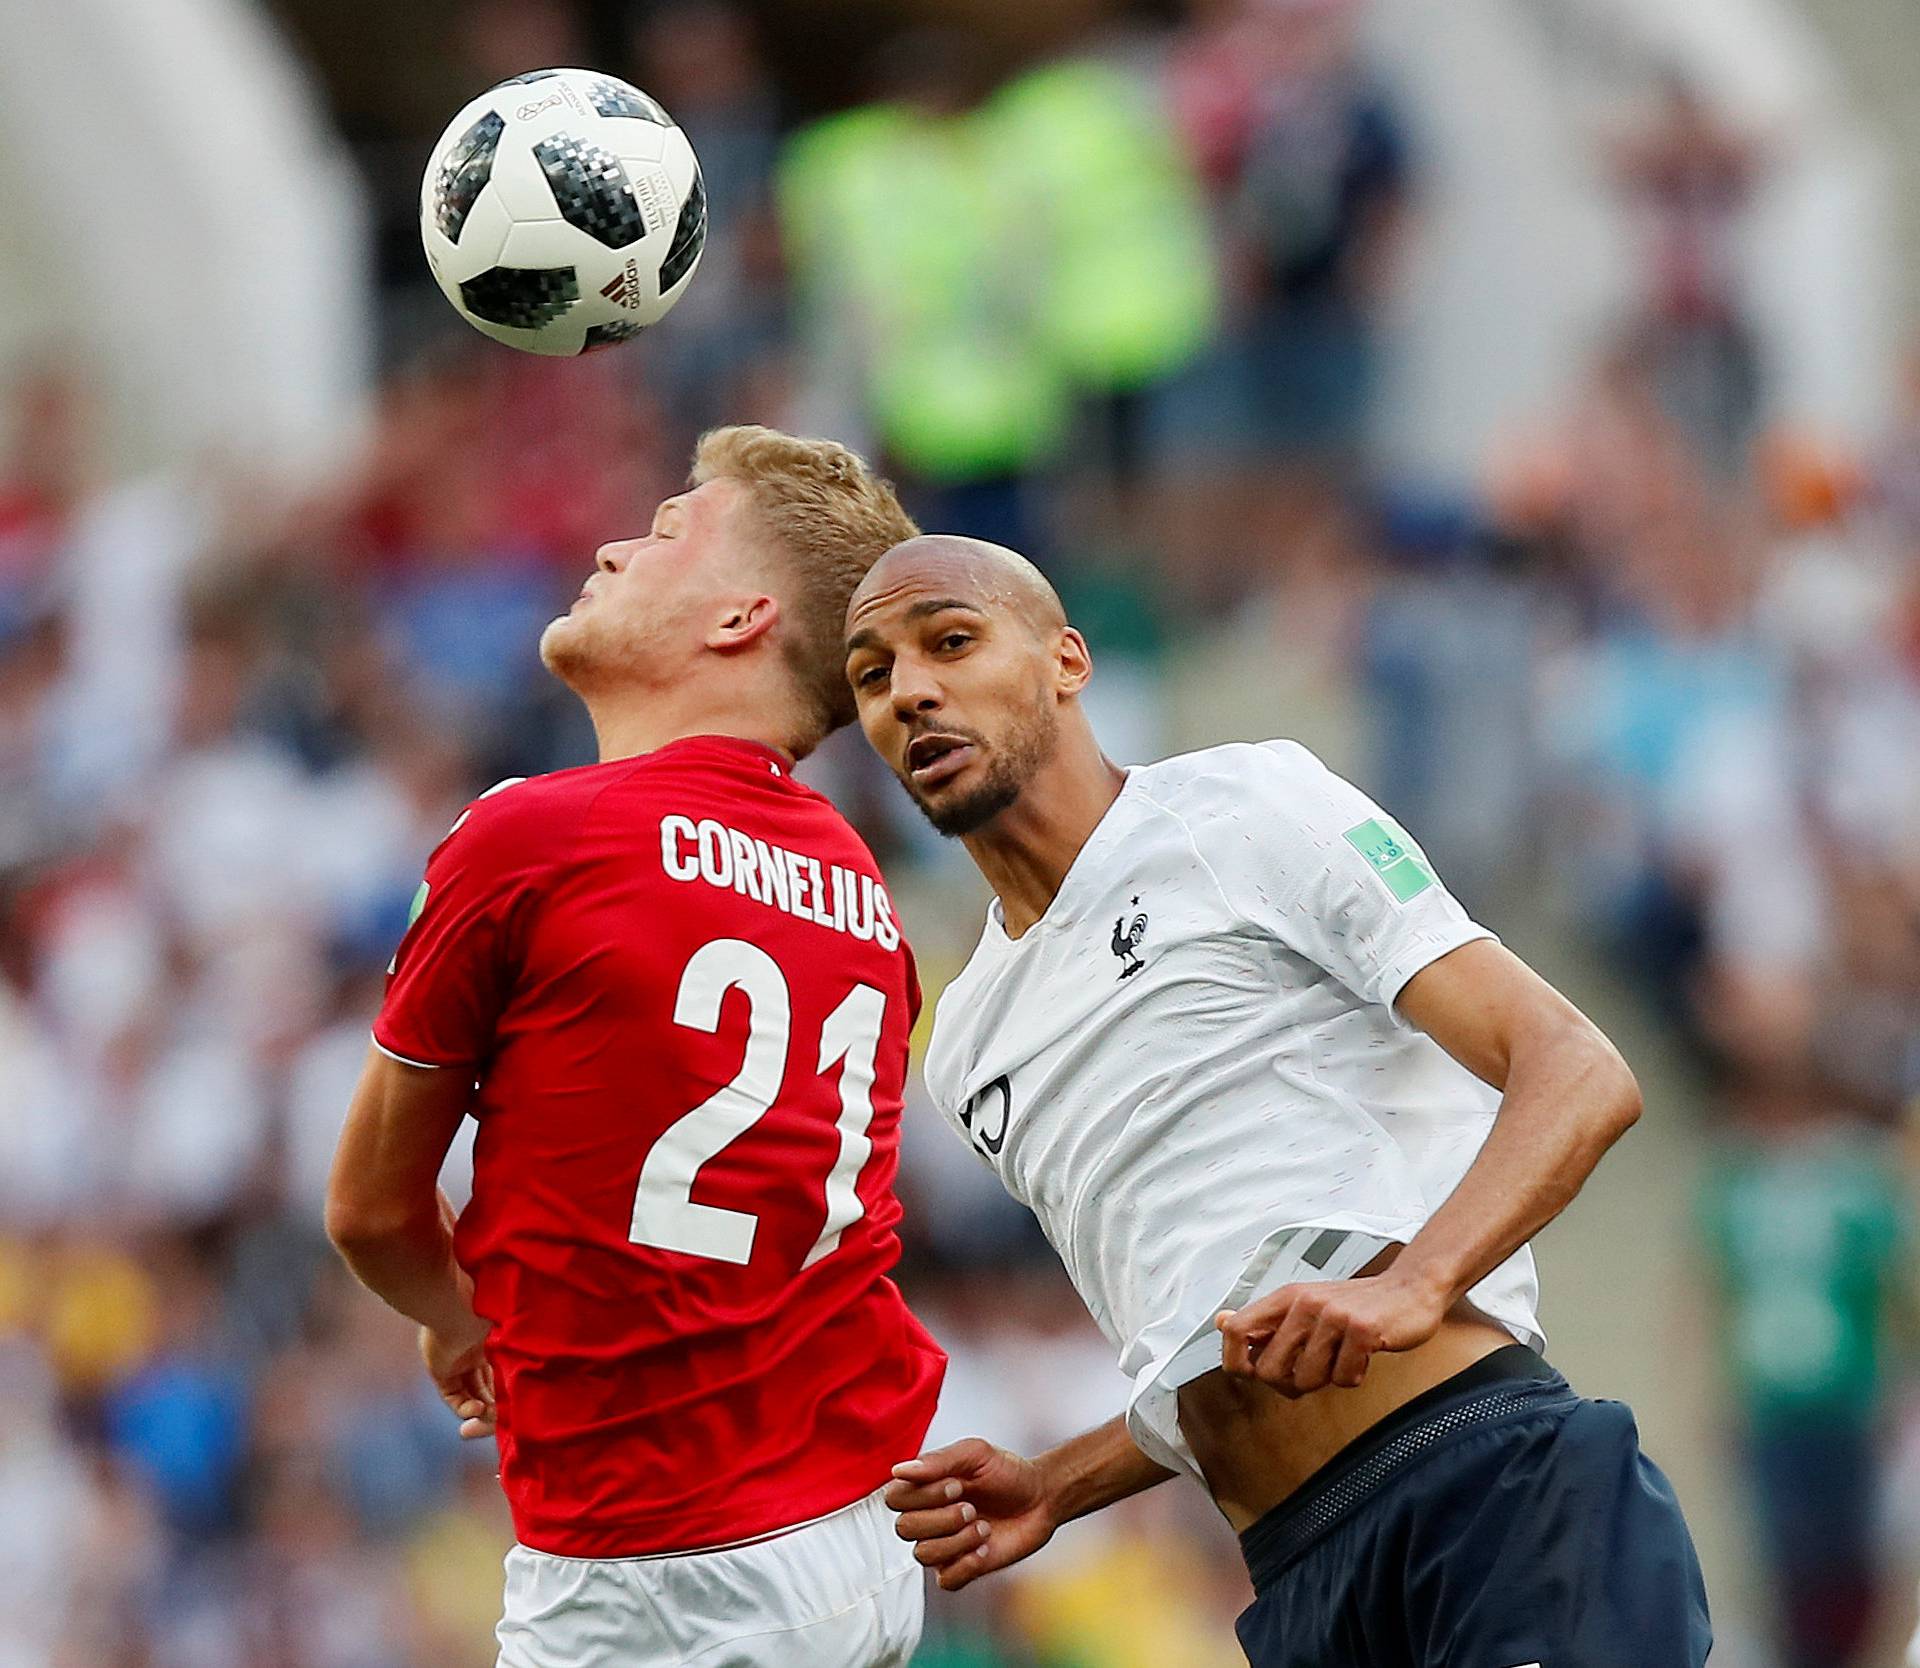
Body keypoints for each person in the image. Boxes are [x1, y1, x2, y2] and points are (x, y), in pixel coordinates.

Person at [845, 534, 1711, 1667]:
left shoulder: (1240, 809)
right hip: (1298, 1586)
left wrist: (1419, 1280)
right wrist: (1063, 1483)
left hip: (1479, 1490)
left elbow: (1579, 1070)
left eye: (951, 642)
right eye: (871, 674)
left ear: (1067, 660)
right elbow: (1211, 1328)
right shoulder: (963, 1043)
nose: (912, 690)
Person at [324, 427, 946, 1668]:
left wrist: (460, 1319)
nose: (614, 545)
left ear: (740, 617)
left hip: (651, 1572)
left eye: (666, 532)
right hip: (853, 1534)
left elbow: (370, 1214)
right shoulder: (856, 884)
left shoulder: (533, 836)